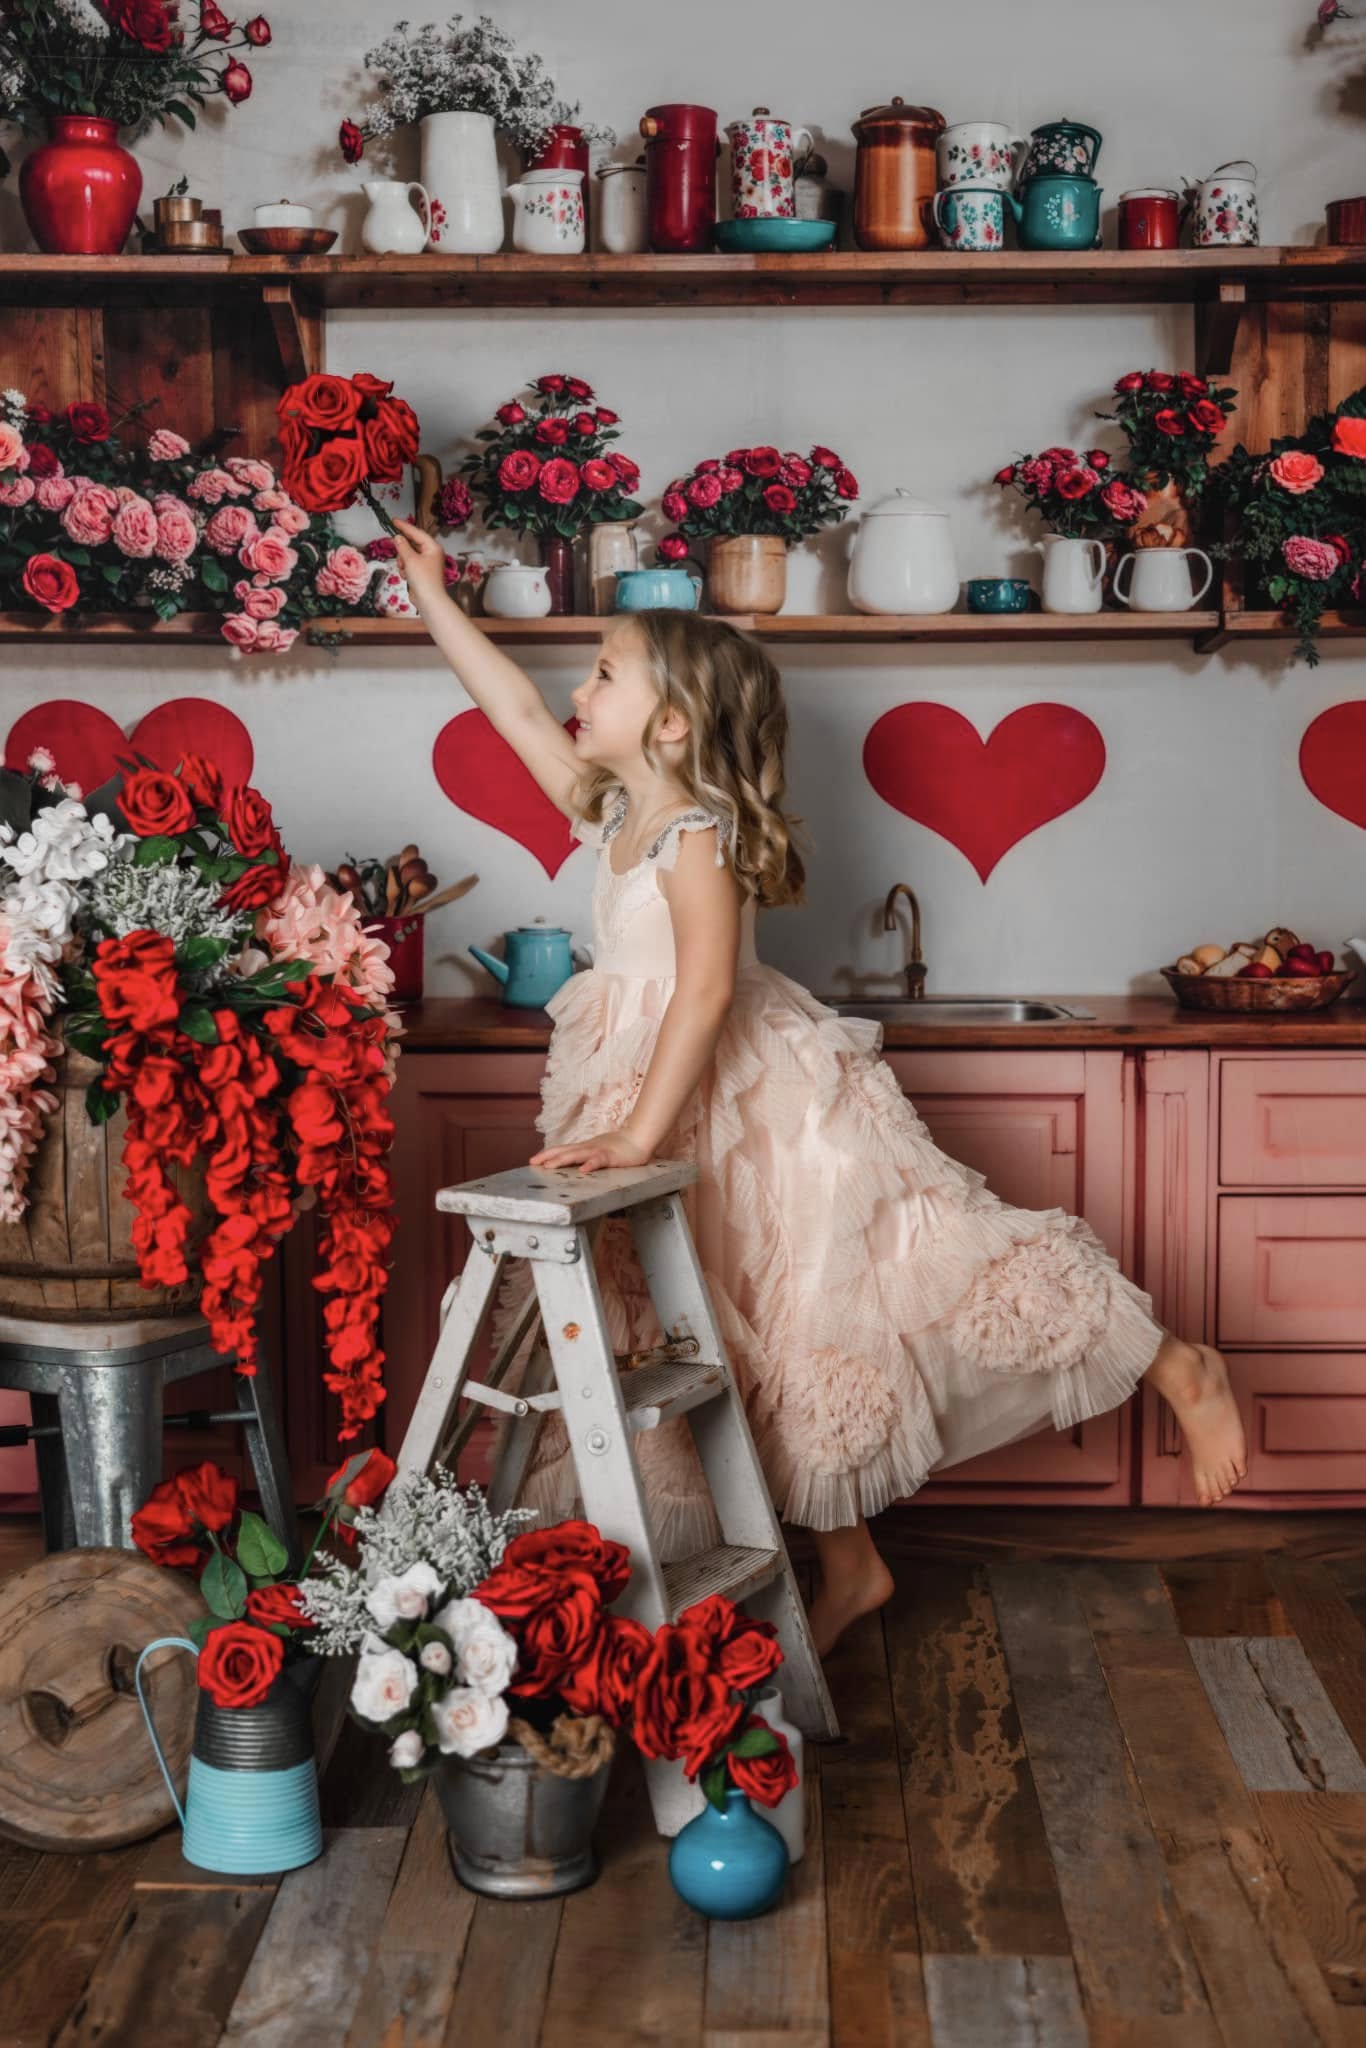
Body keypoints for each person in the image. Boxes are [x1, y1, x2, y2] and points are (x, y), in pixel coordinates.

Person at [394, 519, 1248, 1658]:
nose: (574, 689)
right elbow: (506, 710)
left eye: (602, 673)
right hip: (647, 1098)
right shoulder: (611, 812)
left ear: (671, 721)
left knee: (876, 1281)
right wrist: (434, 594)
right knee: (753, 1337)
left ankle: (1174, 1362)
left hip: (750, 1099)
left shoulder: (693, 835)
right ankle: (852, 1561)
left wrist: (636, 1136)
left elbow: (701, 994)